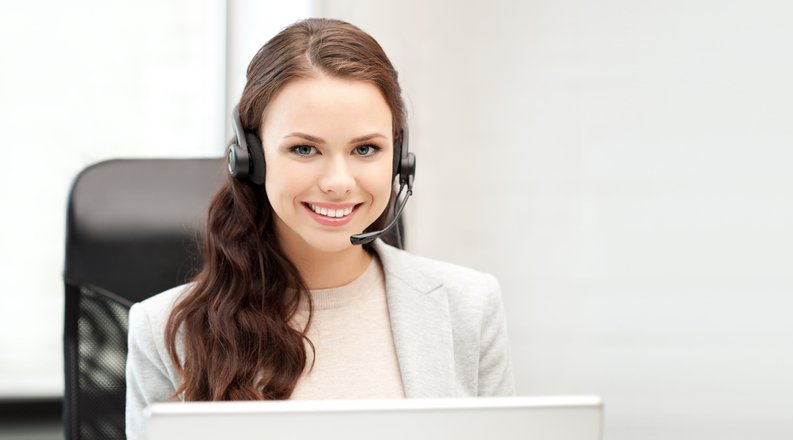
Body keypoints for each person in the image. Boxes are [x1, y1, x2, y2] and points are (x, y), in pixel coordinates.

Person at [124, 18, 514, 440]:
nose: (338, 181)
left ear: (399, 159)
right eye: (304, 149)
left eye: (366, 149)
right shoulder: (166, 329)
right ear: (250, 158)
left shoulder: (469, 307)